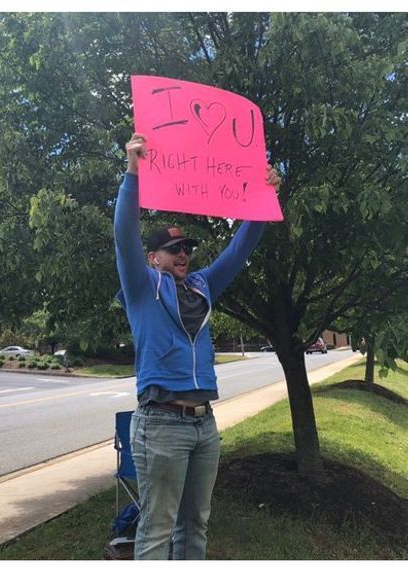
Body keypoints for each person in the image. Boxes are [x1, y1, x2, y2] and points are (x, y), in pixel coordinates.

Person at [114, 133, 280, 559]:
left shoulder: (203, 286)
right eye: (172, 250)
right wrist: (133, 172)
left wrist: (262, 198)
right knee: (157, 530)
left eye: (185, 248)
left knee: (196, 527)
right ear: (153, 257)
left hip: (204, 424)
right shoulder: (141, 287)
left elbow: (239, 250)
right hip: (161, 423)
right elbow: (124, 235)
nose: (182, 254)